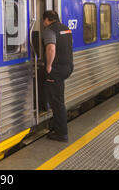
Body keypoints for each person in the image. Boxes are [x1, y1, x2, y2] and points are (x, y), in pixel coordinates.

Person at [42, 10, 74, 142]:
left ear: (48, 19)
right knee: (57, 98)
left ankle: (61, 134)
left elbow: (51, 48)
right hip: (67, 67)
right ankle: (56, 127)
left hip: (56, 69)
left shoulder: (49, 30)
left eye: (44, 20)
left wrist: (49, 65)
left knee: (57, 102)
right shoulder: (66, 28)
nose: (43, 23)